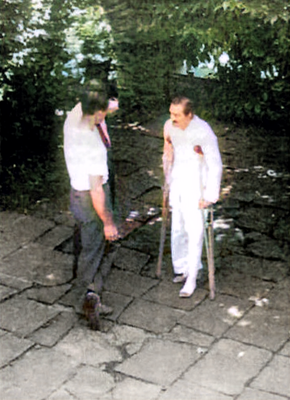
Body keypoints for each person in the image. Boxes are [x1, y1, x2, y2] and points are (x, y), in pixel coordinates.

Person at [63, 90, 119, 330]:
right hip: (91, 198)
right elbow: (97, 190)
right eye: (103, 112)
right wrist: (108, 222)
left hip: (76, 194)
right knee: (101, 246)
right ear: (97, 112)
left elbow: (107, 106)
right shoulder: (93, 146)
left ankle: (88, 294)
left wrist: (107, 105)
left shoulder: (75, 116)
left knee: (87, 245)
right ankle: (88, 297)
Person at [162, 96, 222, 298]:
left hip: (197, 184)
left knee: (194, 230)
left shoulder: (203, 131)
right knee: (177, 227)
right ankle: (181, 268)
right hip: (178, 181)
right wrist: (166, 178)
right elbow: (168, 150)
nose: (173, 118)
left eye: (177, 115)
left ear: (189, 114)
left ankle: (192, 278)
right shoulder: (170, 127)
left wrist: (210, 195)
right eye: (171, 113)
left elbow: (215, 165)